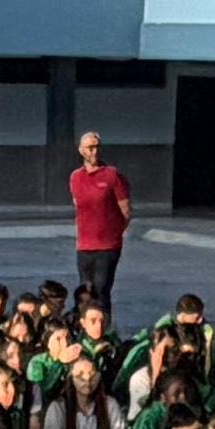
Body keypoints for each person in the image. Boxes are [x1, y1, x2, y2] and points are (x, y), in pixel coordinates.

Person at [66, 129, 132, 320]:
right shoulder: (75, 177)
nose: (94, 152)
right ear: (81, 150)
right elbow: (78, 207)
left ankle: (104, 326)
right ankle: (84, 326)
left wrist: (114, 233)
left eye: (97, 147)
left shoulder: (112, 175)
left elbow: (125, 211)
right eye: (90, 148)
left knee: (101, 289)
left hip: (107, 246)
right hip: (84, 245)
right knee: (85, 291)